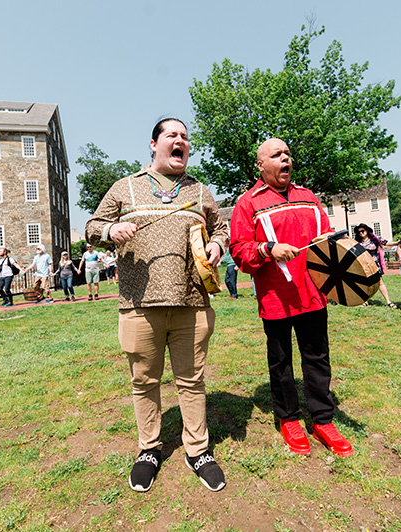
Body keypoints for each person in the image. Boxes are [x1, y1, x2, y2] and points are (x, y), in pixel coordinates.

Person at [86, 118, 228, 493]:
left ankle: (197, 451)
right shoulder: (125, 188)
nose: (180, 141)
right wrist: (109, 231)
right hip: (138, 304)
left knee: (192, 380)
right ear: (154, 144)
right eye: (172, 135)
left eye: (185, 136)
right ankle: (149, 449)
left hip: (192, 302)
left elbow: (221, 228)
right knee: (144, 381)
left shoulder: (199, 191)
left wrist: (217, 245)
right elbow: (92, 226)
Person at [230, 137, 354, 459]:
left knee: (317, 357)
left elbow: (325, 241)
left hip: (312, 293)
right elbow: (239, 251)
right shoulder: (248, 203)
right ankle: (289, 418)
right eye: (276, 155)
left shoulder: (308, 197)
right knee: (281, 362)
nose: (285, 158)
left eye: (287, 153)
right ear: (261, 165)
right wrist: (268, 249)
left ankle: (323, 420)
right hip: (276, 298)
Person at [354, 223, 396, 308]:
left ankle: (388, 301)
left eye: (362, 231)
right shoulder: (358, 242)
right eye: (359, 232)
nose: (361, 233)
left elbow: (386, 243)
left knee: (380, 282)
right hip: (363, 264)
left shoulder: (375, 239)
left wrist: (397, 243)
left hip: (374, 264)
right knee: (364, 283)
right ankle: (364, 301)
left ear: (367, 230)